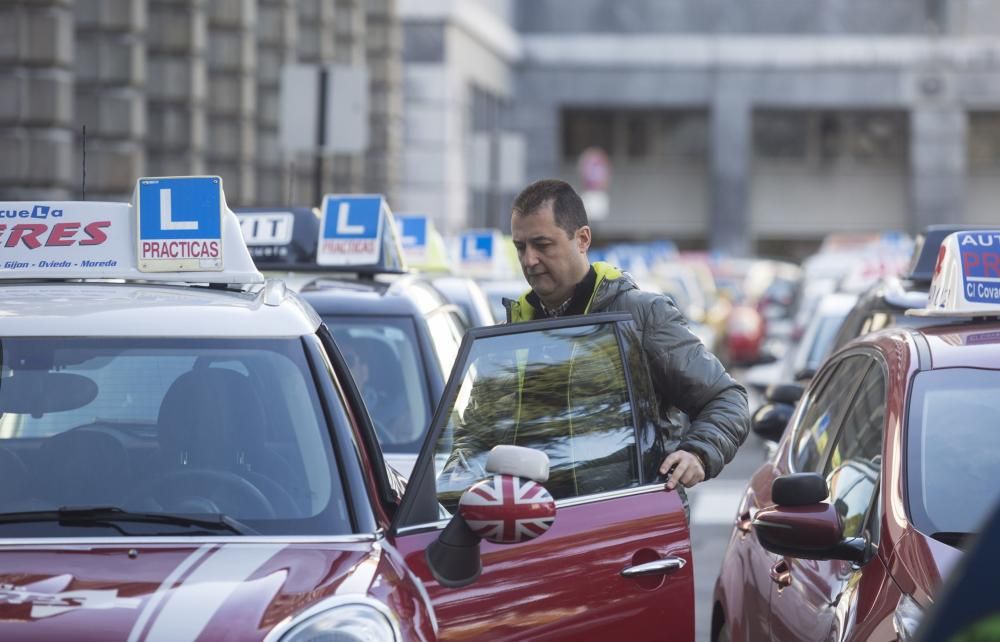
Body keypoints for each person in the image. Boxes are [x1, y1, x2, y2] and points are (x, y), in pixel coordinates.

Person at [504, 178, 750, 493]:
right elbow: (480, 436)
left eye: (542, 244)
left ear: (582, 239)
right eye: (520, 247)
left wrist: (697, 453)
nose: (529, 260)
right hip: (533, 523)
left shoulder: (641, 315)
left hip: (631, 521)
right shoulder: (514, 327)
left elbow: (727, 399)